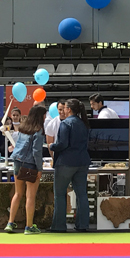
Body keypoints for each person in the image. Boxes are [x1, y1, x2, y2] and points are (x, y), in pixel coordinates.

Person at [50, 98, 91, 233]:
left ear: (69, 109)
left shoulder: (65, 124)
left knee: (60, 194)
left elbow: (62, 144)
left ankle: (59, 226)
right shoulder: (83, 123)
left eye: (65, 108)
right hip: (82, 161)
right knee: (82, 194)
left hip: (66, 162)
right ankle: (82, 224)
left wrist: (51, 146)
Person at [5, 105, 46, 234]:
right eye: (44, 115)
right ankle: (29, 226)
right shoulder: (38, 131)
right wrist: (40, 169)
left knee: (18, 193)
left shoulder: (23, 128)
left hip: (17, 162)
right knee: (30, 196)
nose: (45, 117)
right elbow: (37, 152)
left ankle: (10, 223)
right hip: (30, 165)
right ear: (40, 116)